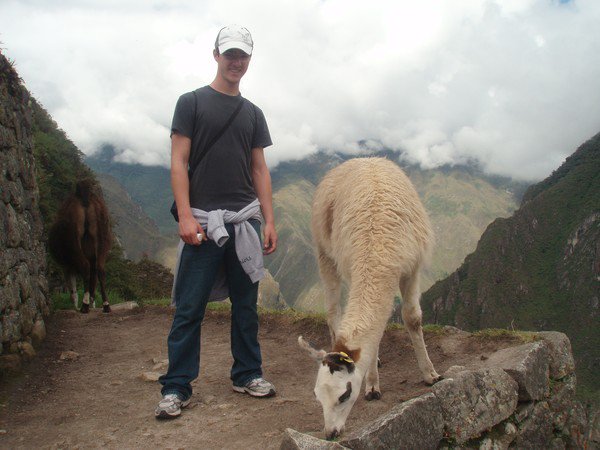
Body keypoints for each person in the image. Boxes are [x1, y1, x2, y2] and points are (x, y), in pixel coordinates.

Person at [155, 24, 278, 420]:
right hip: (204, 222)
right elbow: (178, 161)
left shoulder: (253, 114)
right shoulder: (190, 103)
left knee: (246, 305)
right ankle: (176, 387)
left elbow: (259, 168)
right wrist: (186, 215)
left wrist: (269, 219)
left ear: (249, 60)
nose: (236, 62)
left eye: (242, 56)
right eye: (230, 54)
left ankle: (247, 374)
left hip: (244, 221)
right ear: (216, 55)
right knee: (189, 308)